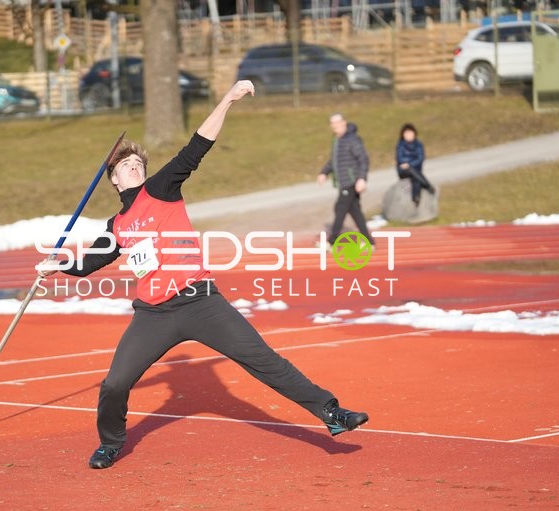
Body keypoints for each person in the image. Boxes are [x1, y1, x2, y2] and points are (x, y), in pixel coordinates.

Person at [40, 81, 369, 470]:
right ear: (113, 179)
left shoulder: (160, 189)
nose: (135, 166)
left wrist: (227, 100)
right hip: (154, 314)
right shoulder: (117, 225)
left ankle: (332, 414)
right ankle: (110, 443)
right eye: (126, 165)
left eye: (138, 163)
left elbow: (196, 146)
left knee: (262, 359)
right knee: (115, 383)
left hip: (201, 302)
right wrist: (58, 264)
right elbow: (90, 262)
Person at [316, 113, 375, 248]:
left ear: (344, 123)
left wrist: (362, 178)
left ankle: (332, 241)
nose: (335, 126)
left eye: (338, 123)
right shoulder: (337, 140)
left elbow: (363, 159)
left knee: (340, 208)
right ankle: (369, 242)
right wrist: (324, 173)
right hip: (344, 182)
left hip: (352, 181)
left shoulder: (352, 139)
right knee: (355, 212)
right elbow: (334, 161)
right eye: (333, 124)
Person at [395, 123, 435, 206]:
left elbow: (420, 158)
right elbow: (400, 159)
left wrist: (409, 164)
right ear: (403, 135)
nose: (408, 135)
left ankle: (416, 198)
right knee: (412, 172)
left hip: (415, 169)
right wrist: (408, 165)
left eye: (410, 133)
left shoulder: (419, 145)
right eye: (406, 133)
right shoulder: (400, 145)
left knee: (415, 177)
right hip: (403, 171)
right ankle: (427, 185)